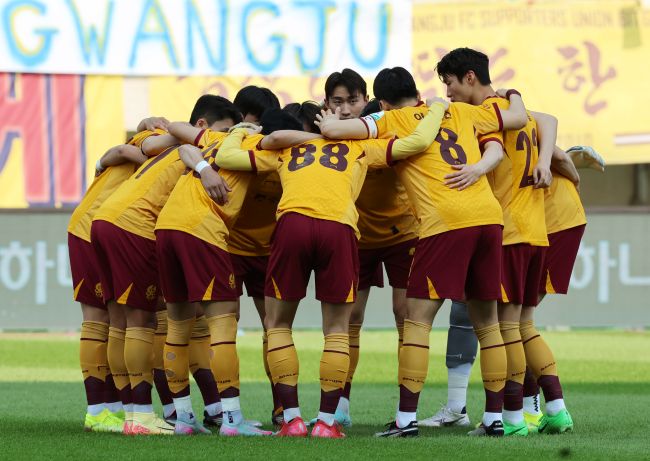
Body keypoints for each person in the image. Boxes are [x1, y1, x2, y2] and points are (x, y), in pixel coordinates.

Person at [212, 102, 448, 438]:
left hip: (292, 224)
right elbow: (417, 143)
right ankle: (325, 422)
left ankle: (292, 419)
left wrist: (239, 131)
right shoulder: (361, 147)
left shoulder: (287, 148)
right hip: (338, 229)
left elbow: (226, 158)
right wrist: (436, 109)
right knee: (337, 330)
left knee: (277, 324)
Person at [318, 66, 529, 437]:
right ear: (416, 92)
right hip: (488, 218)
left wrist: (327, 118)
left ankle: (405, 421)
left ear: (379, 101)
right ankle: (495, 419)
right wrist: (513, 93)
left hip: (442, 222)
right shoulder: (458, 111)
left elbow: (335, 132)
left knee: (416, 321)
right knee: (488, 322)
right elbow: (517, 117)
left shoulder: (389, 119)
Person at [434, 47, 559, 436]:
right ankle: (554, 409)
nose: (449, 93)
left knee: (502, 329)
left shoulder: (487, 115)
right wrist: (547, 161)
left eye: (450, 83)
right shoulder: (512, 108)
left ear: (469, 77)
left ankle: (514, 418)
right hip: (534, 229)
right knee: (523, 325)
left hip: (506, 231)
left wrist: (472, 172)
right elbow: (548, 118)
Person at [90, 95, 233, 435]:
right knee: (142, 321)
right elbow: (182, 149)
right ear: (202, 127)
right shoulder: (195, 148)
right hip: (134, 227)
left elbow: (135, 148)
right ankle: (140, 416)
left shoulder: (168, 146)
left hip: (107, 218)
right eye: (224, 130)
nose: (226, 137)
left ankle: (130, 413)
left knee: (121, 323)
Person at [68, 141, 149, 432]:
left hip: (103, 228)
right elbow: (123, 151)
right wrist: (152, 162)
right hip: (93, 228)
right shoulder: (164, 139)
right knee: (99, 319)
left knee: (117, 319)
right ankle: (97, 411)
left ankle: (112, 409)